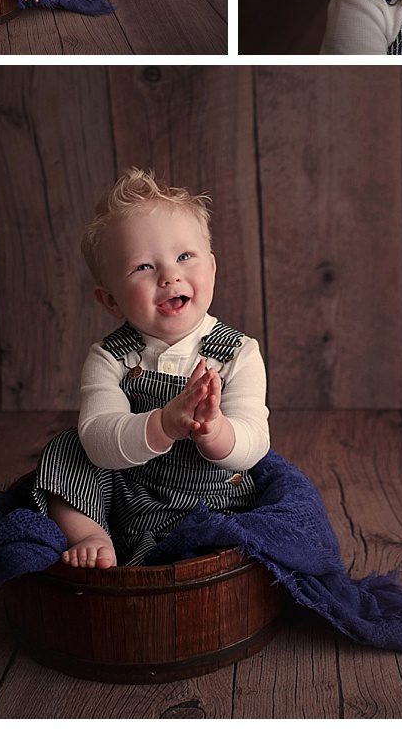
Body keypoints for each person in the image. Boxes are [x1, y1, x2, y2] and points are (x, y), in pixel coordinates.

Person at [32, 168, 270, 568]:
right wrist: (164, 424)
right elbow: (100, 442)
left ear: (211, 269)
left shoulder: (236, 353)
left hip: (212, 503)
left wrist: (215, 430)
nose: (169, 275)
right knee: (67, 449)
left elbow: (254, 443)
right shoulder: (110, 357)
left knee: (252, 479)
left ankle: (195, 547)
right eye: (143, 267)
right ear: (110, 301)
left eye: (184, 257)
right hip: (127, 498)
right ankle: (92, 532)